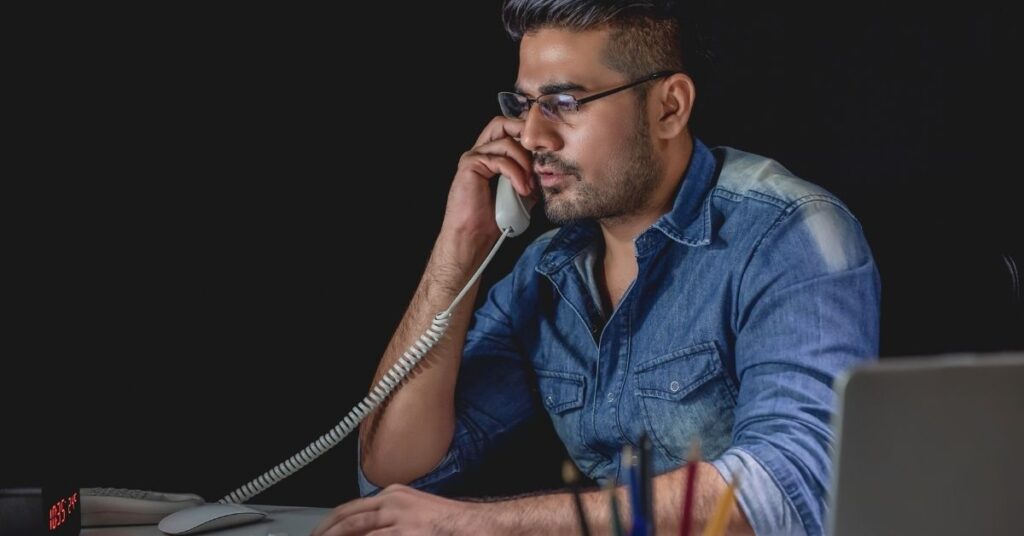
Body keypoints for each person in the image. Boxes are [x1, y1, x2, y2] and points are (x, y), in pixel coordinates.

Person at [314, 1, 879, 534]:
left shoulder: (789, 234)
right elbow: (394, 473)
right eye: (523, 105)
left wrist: (476, 524)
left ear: (668, 107)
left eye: (564, 102)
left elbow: (792, 487)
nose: (532, 136)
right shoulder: (544, 273)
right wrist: (459, 246)